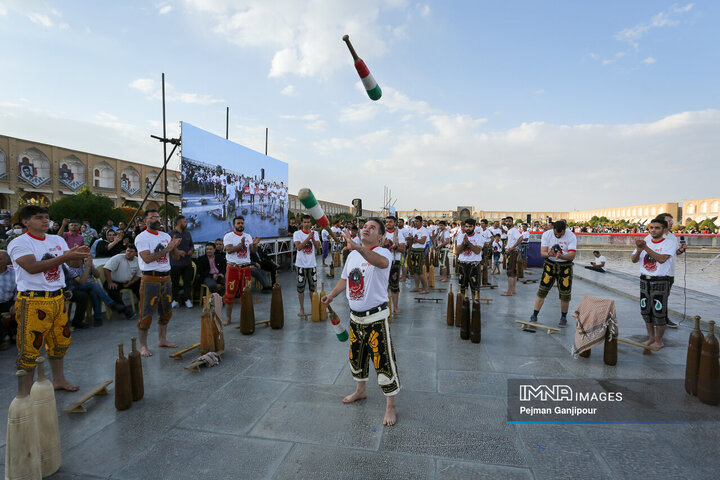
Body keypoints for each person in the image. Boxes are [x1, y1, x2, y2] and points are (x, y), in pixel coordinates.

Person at [322, 218, 399, 426]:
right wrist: (331, 295)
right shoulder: (353, 255)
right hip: (355, 316)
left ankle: (390, 405)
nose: (366, 229)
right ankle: (360, 390)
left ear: (381, 236)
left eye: (372, 228)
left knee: (383, 360)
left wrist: (357, 247)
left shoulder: (384, 253)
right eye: (364, 227)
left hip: (376, 317)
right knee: (357, 356)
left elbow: (380, 263)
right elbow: (345, 279)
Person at [8, 205, 90, 391]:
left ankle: (59, 380)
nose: (45, 220)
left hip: (57, 298)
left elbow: (67, 263)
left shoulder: (56, 239)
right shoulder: (20, 243)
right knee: (30, 348)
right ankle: (25, 393)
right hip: (33, 301)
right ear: (25, 222)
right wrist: (65, 256)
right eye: (39, 217)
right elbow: (32, 267)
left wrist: (78, 255)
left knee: (60, 342)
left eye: (46, 217)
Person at [135, 209, 182, 356]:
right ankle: (143, 346)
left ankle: (162, 339)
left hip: (166, 278)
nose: (157, 219)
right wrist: (168, 248)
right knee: (146, 314)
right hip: (150, 280)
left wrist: (174, 248)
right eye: (153, 217)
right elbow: (147, 258)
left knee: (166, 311)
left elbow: (175, 258)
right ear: (145, 221)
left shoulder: (165, 235)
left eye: (158, 217)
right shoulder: (142, 237)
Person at [631, 217, 677, 350]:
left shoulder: (669, 243)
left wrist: (645, 247)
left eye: (657, 228)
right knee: (645, 310)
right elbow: (634, 260)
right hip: (645, 279)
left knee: (659, 311)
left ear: (664, 229)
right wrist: (639, 249)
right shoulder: (645, 241)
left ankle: (659, 340)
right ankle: (651, 337)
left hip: (660, 280)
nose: (653, 230)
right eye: (651, 228)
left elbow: (662, 259)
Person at [528, 220, 577, 331]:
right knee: (542, 290)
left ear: (565, 230)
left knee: (565, 293)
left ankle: (563, 317)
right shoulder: (547, 234)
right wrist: (548, 254)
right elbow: (542, 253)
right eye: (556, 234)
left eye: (560, 234)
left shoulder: (571, 236)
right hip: (550, 265)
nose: (558, 235)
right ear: (553, 229)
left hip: (565, 266)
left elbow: (572, 255)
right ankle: (534, 315)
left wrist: (562, 256)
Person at [64, 256, 135, 326]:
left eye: (78, 259)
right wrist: (87, 268)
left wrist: (91, 266)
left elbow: (97, 275)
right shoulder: (70, 269)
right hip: (79, 288)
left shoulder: (86, 263)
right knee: (93, 285)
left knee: (94, 292)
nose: (75, 262)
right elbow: (81, 282)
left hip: (91, 287)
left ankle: (98, 318)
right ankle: (111, 304)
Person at [223, 216, 260, 325]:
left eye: (242, 223)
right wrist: (240, 245)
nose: (240, 225)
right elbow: (229, 250)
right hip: (233, 269)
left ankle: (246, 317)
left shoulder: (248, 236)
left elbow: (253, 251)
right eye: (238, 223)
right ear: (234, 225)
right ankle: (228, 319)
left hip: (245, 269)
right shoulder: (229, 236)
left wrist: (254, 245)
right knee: (229, 295)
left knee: (246, 295)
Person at [655, 212, 686, 329]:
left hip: (670, 272)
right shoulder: (655, 235)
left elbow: (676, 253)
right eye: (669, 221)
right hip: (658, 272)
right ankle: (658, 319)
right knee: (657, 297)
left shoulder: (673, 236)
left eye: (672, 221)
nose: (672, 223)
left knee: (665, 296)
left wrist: (681, 250)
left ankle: (662, 318)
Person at [293, 215, 322, 317]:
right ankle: (302, 308)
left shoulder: (315, 234)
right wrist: (308, 238)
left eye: (308, 222)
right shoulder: (297, 234)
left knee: (312, 288)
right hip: (301, 265)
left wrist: (313, 238)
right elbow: (299, 247)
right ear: (301, 223)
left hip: (312, 264)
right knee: (300, 288)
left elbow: (318, 247)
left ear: (311, 223)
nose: (306, 224)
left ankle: (313, 307)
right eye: (304, 222)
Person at [169, 215, 195, 308]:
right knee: (175, 282)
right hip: (175, 263)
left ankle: (187, 299)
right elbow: (168, 248)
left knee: (187, 282)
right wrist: (178, 252)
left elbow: (192, 245)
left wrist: (191, 250)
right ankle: (175, 300)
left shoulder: (187, 234)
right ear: (179, 223)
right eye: (184, 222)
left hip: (187, 262)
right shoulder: (171, 234)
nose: (186, 223)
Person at [454, 219, 483, 298]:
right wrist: (463, 243)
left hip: (474, 265)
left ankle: (475, 305)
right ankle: (463, 306)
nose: (468, 228)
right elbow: (458, 252)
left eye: (470, 226)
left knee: (475, 288)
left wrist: (469, 243)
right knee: (462, 287)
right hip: (462, 264)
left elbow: (477, 251)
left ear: (474, 227)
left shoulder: (479, 236)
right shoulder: (460, 236)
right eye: (466, 226)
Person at [383, 215, 406, 315]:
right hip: (382, 261)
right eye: (387, 222)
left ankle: (395, 307)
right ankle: (383, 306)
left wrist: (394, 246)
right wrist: (383, 245)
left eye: (390, 222)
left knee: (394, 285)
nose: (388, 223)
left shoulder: (399, 234)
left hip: (394, 262)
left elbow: (403, 249)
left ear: (395, 223)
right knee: (382, 285)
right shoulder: (381, 233)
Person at [406, 216, 429, 294]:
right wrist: (410, 239)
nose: (415, 223)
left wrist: (414, 239)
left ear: (420, 222)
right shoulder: (413, 229)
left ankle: (425, 288)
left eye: (417, 221)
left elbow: (423, 241)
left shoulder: (424, 230)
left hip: (420, 251)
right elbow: (411, 240)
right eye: (415, 221)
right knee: (414, 270)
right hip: (413, 250)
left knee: (419, 271)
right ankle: (417, 287)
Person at [502, 217, 523, 296]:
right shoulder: (510, 231)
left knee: (510, 271)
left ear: (512, 222)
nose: (507, 223)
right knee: (513, 271)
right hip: (511, 252)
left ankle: (509, 291)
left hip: (512, 252)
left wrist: (512, 247)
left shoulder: (514, 230)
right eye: (506, 221)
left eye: (509, 221)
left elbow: (520, 238)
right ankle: (513, 290)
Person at [0, 250, 16, 350]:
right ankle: (3, 337)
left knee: (21, 307)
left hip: (8, 301)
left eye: (0, 259)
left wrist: (16, 303)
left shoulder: (13, 273)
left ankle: (15, 331)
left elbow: (19, 290)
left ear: (7, 261)